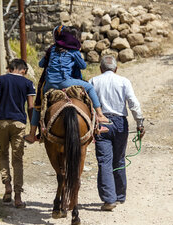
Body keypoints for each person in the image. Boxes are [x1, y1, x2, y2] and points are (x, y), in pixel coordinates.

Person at [24, 25, 109, 144]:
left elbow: (41, 64)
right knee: (89, 87)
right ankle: (99, 116)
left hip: (49, 84)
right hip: (66, 82)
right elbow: (83, 66)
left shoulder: (52, 49)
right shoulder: (73, 51)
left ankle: (32, 134)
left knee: (39, 104)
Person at [89, 55, 145, 211]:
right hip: (120, 123)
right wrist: (140, 123)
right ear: (116, 68)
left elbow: (87, 104)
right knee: (119, 159)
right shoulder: (124, 81)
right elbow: (133, 103)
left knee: (104, 161)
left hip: (101, 123)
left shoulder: (93, 81)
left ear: (101, 68)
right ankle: (120, 196)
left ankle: (109, 199)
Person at [0, 58, 35, 208]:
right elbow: (30, 107)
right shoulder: (27, 84)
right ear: (24, 70)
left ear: (10, 68)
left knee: (2, 154)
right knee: (17, 160)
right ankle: (18, 197)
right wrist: (33, 128)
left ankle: (7, 185)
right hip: (19, 123)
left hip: (1, 122)